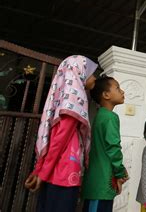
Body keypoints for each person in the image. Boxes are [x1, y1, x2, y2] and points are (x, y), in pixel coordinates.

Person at [24, 55, 98, 212]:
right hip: (63, 174)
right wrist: (41, 173)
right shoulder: (72, 101)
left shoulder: (62, 99)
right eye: (91, 72)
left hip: (54, 172)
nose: (95, 78)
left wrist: (40, 170)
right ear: (79, 72)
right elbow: (60, 140)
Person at [81, 76, 129, 212]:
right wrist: (120, 172)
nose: (122, 91)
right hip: (101, 183)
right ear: (106, 95)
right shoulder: (110, 117)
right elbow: (113, 148)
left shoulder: (100, 115)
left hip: (96, 181)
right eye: (118, 88)